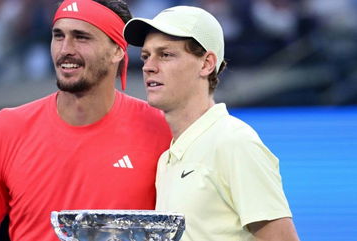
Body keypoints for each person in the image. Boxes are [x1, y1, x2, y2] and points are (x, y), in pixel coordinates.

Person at [0, 0, 172, 240]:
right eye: (58, 36)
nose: (65, 49)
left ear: (117, 50)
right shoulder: (2, 130)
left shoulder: (163, 130)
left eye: (81, 37)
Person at [123, 6, 300, 241]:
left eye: (165, 54)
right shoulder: (169, 157)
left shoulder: (234, 141)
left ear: (206, 64)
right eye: (146, 56)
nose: (148, 66)